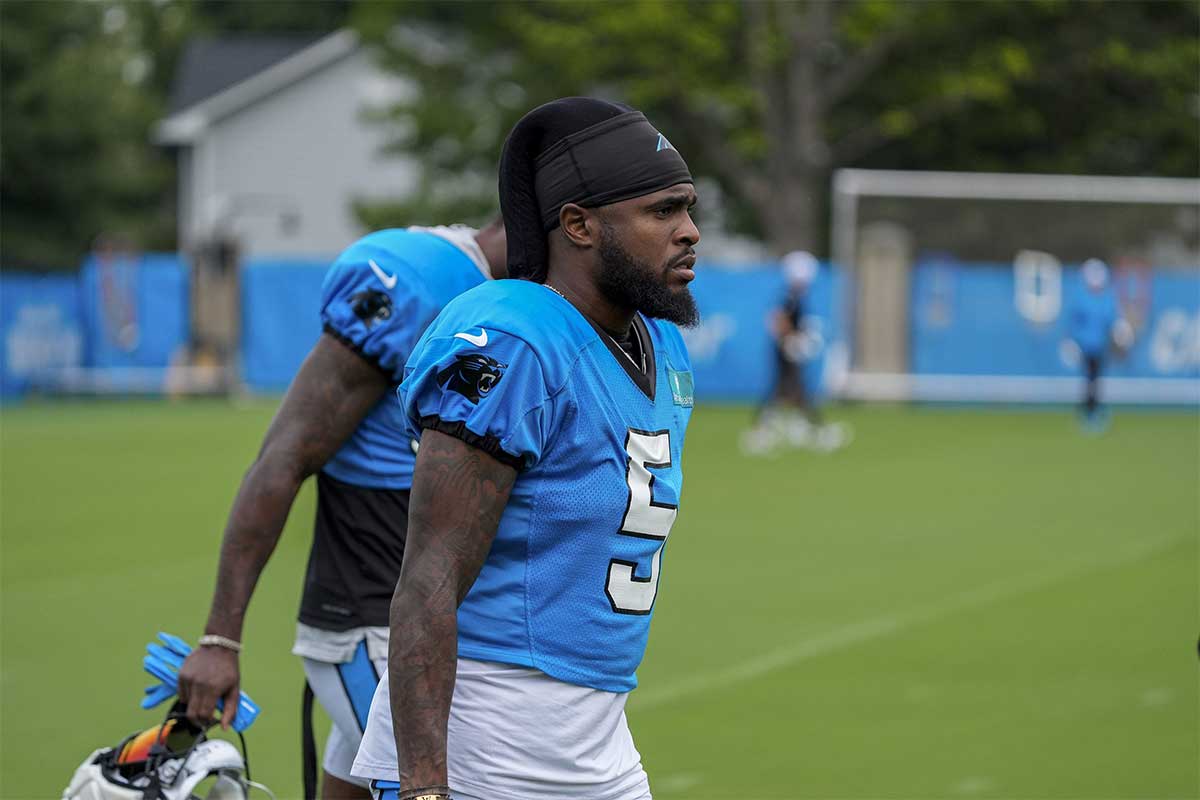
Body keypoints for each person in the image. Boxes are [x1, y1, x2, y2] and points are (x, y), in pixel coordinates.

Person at [351, 97, 699, 800]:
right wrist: (423, 784)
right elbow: (428, 578)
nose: (689, 232)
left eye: (689, 209)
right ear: (578, 224)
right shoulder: (515, 340)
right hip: (492, 723)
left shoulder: (658, 341)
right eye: (661, 211)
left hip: (594, 728)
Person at [176, 220, 507, 800]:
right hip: (372, 619)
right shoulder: (417, 278)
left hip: (436, 622)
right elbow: (284, 454)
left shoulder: (527, 304)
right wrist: (219, 640)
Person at [742, 250, 848, 454]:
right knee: (789, 389)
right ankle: (810, 430)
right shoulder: (790, 297)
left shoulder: (792, 296)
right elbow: (778, 320)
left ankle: (803, 428)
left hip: (787, 349)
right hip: (786, 350)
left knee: (790, 391)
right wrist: (792, 340)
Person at [1065, 257, 1130, 431]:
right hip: (1085, 347)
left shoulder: (1107, 298)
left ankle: (1092, 411)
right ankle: (1088, 413)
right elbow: (1074, 323)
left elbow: (1113, 320)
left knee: (1095, 382)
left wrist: (1120, 331)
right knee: (1090, 381)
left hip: (1101, 346)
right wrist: (1072, 342)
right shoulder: (1081, 297)